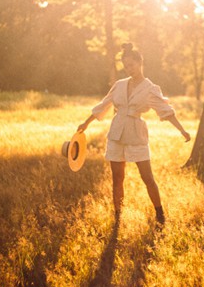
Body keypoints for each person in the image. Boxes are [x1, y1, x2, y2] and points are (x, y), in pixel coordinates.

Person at [78, 43, 190, 225]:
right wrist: (86, 123)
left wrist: (182, 130)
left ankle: (160, 214)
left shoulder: (150, 88)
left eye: (131, 65)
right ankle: (117, 216)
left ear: (140, 62)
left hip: (136, 134)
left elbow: (165, 110)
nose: (128, 69)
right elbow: (104, 104)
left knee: (147, 177)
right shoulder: (119, 85)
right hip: (116, 133)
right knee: (117, 177)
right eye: (125, 66)